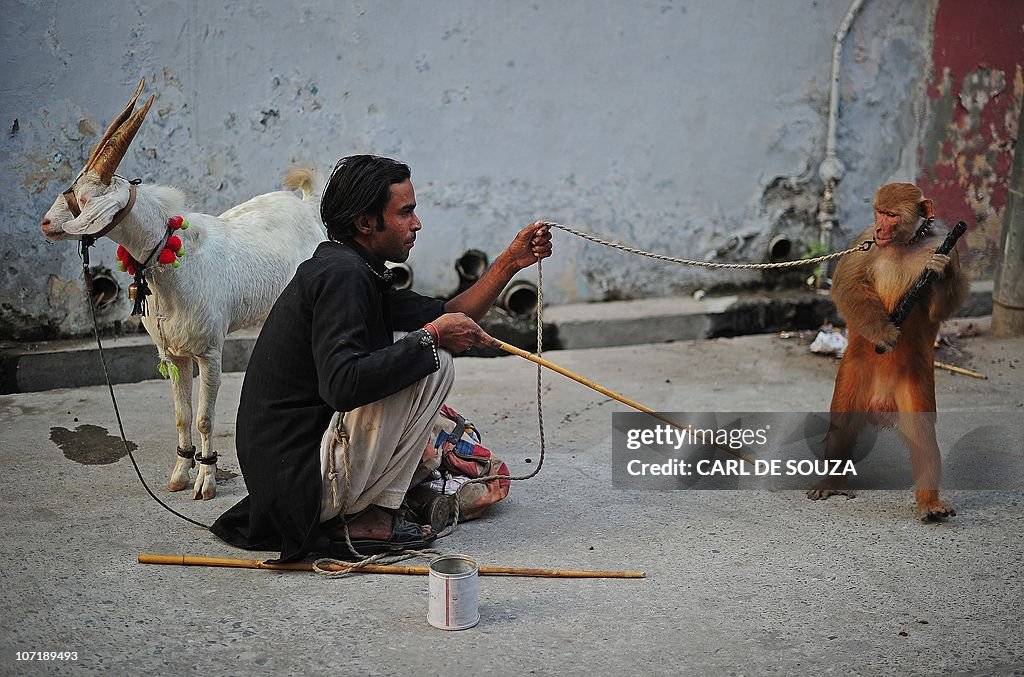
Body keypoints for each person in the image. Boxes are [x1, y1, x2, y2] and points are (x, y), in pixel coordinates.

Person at [211, 155, 552, 563]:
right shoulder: (343, 276)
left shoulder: (356, 269)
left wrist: (511, 261)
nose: (417, 224)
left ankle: (371, 503)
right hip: (300, 489)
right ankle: (370, 514)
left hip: (293, 480)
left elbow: (451, 311)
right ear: (366, 223)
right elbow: (342, 384)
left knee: (422, 345)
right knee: (434, 358)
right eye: (405, 212)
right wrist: (432, 337)